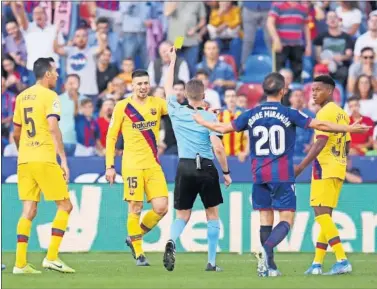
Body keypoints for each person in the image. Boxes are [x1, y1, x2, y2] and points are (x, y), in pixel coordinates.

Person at [193, 73, 370, 277]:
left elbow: (222, 128)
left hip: (258, 174)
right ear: (283, 91)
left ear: (263, 90)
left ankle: (270, 267)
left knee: (265, 219)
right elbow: (321, 126)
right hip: (283, 173)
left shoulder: (251, 113)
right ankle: (266, 250)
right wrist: (348, 128)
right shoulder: (290, 113)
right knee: (287, 219)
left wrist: (201, 120)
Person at [162, 47, 231, 272]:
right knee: (212, 214)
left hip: (184, 165)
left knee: (182, 214)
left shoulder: (175, 110)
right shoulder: (209, 117)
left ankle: (171, 241)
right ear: (203, 94)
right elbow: (218, 146)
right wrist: (227, 172)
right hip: (207, 166)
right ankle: (211, 262)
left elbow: (167, 86)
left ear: (186, 95)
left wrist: (173, 61)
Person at [295, 75, 371, 275]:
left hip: (324, 168)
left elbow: (320, 142)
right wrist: (341, 162)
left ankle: (342, 259)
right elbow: (347, 143)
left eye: (318, 90)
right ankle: (317, 264)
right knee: (325, 216)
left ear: (329, 91)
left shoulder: (324, 113)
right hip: (337, 168)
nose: (313, 93)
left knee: (320, 214)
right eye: (312, 90)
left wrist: (301, 166)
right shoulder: (342, 114)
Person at [12, 57, 74, 274]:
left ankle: (20, 264)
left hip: (25, 159)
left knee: (28, 210)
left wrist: (24, 152)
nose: (57, 75)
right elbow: (52, 127)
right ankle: (52, 257)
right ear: (47, 74)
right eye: (55, 71)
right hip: (44, 157)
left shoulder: (21, 97)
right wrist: (63, 160)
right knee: (65, 206)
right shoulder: (50, 95)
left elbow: (16, 133)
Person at [105, 70, 169, 266]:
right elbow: (111, 137)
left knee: (161, 207)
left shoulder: (157, 104)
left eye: (146, 83)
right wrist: (110, 166)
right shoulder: (122, 107)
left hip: (152, 164)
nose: (143, 87)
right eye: (139, 83)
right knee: (135, 207)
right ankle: (139, 254)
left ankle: (134, 235)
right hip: (132, 165)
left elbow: (178, 111)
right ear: (132, 85)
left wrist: (200, 108)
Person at [218, 88, 249, 161]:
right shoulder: (218, 115)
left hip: (240, 157)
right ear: (224, 99)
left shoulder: (244, 115)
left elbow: (249, 137)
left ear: (236, 98)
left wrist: (245, 152)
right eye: (228, 96)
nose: (231, 99)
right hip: (223, 157)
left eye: (233, 96)